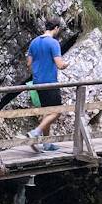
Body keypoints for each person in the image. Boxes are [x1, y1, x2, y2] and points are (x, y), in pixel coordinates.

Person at [25, 17, 71, 150]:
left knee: (47, 111)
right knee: (57, 111)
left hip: (37, 82)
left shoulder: (34, 42)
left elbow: (29, 63)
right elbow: (60, 64)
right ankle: (36, 132)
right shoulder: (53, 43)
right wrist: (66, 64)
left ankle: (46, 143)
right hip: (50, 82)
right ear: (56, 28)